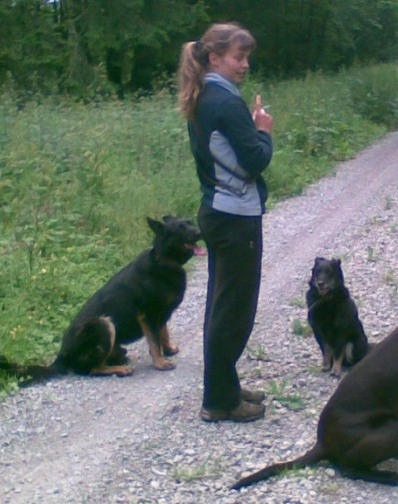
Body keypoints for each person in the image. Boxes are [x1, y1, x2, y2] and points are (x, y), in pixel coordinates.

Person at [177, 23, 274, 423]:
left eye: (247, 57)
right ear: (215, 57)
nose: (245, 64)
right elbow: (254, 160)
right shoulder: (226, 101)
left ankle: (224, 387)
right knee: (233, 311)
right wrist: (263, 132)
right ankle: (219, 402)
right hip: (235, 218)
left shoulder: (204, 95)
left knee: (221, 307)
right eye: (238, 57)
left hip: (216, 212)